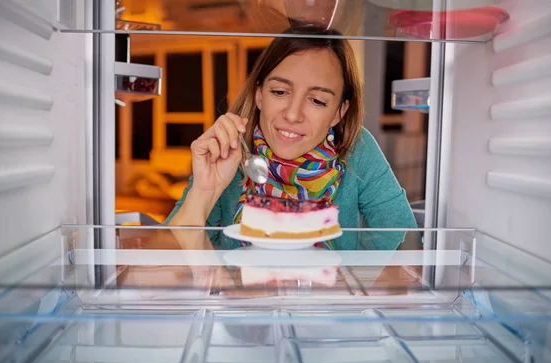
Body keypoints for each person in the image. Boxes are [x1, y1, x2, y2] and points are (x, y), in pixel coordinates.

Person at [164, 27, 417, 250]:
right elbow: (167, 266)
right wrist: (205, 190)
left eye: (317, 100)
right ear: (259, 95)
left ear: (338, 112)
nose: (293, 115)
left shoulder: (357, 147)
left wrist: (347, 282)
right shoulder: (229, 148)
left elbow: (398, 231)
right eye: (280, 91)